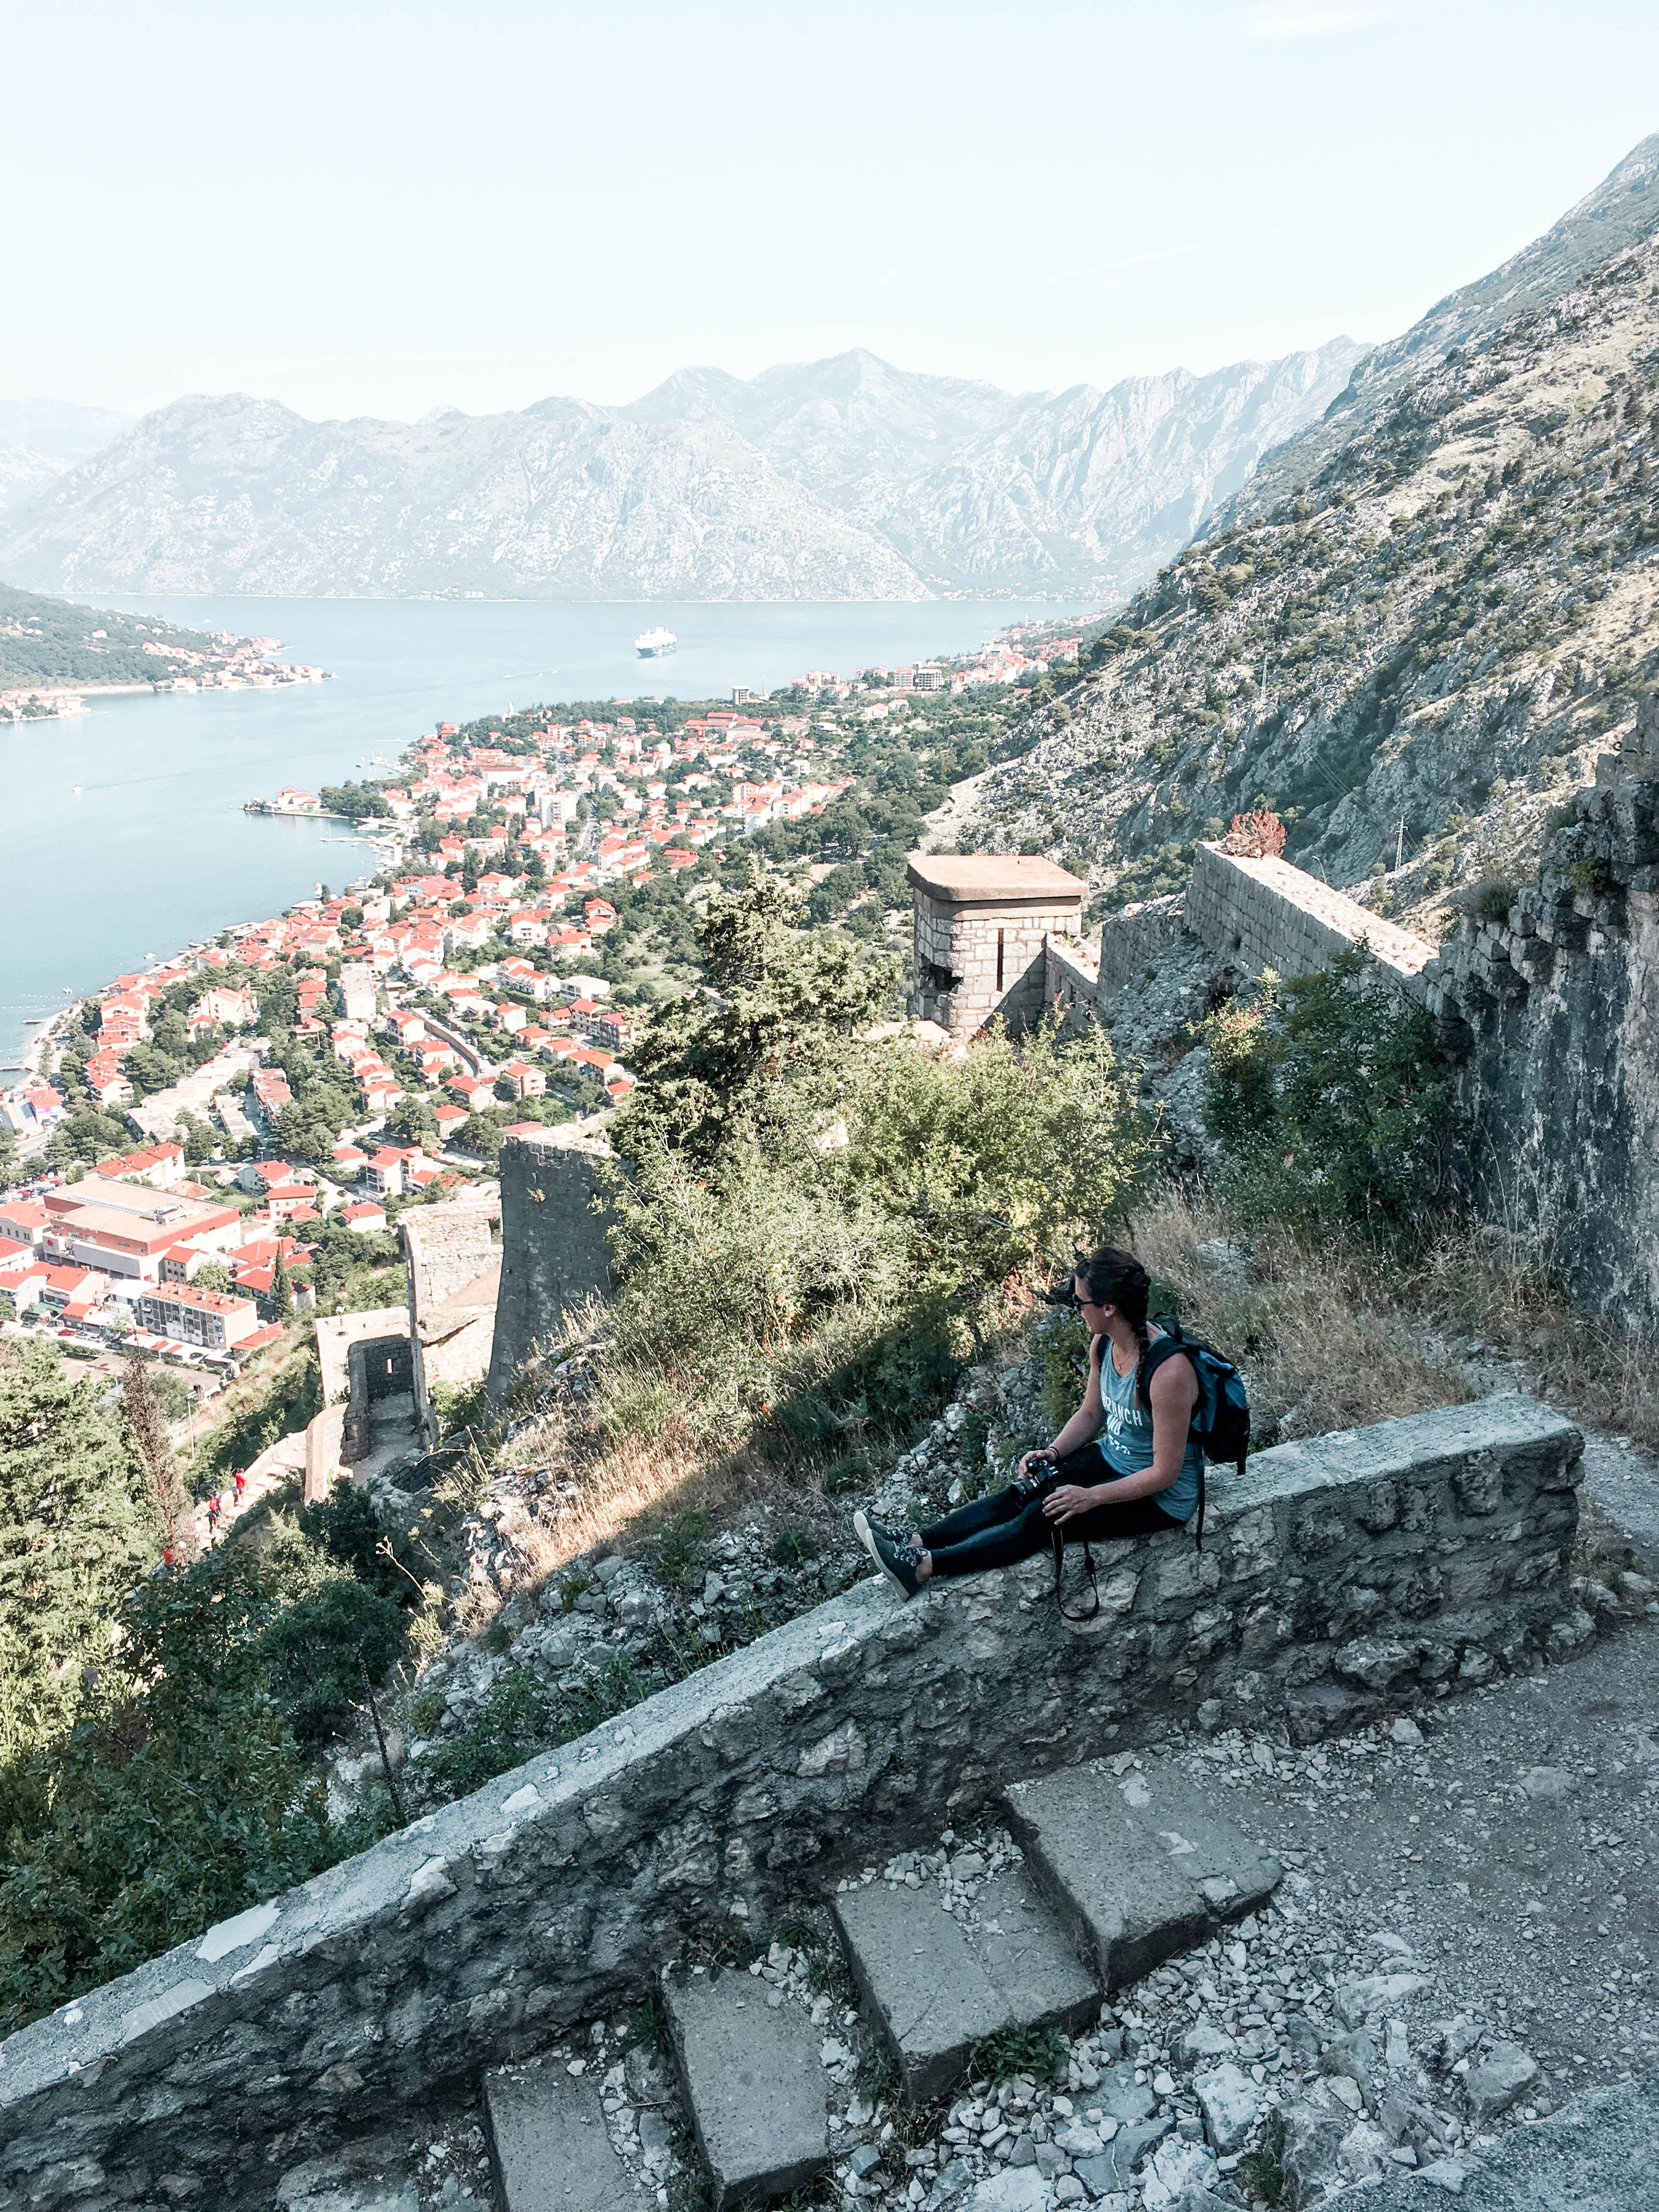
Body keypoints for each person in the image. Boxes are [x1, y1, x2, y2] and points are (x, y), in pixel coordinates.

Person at [854, 1246, 1201, 1600]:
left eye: (1081, 1303)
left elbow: (1165, 1474)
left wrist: (1090, 1497)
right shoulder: (1104, 1344)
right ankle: (916, 1541)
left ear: (1109, 1307)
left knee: (1042, 1516)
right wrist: (1053, 1452)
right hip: (1116, 1461)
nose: (1077, 1309)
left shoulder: (1168, 1373)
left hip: (1163, 1499)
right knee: (1023, 1491)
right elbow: (1091, 1414)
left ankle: (923, 1567)